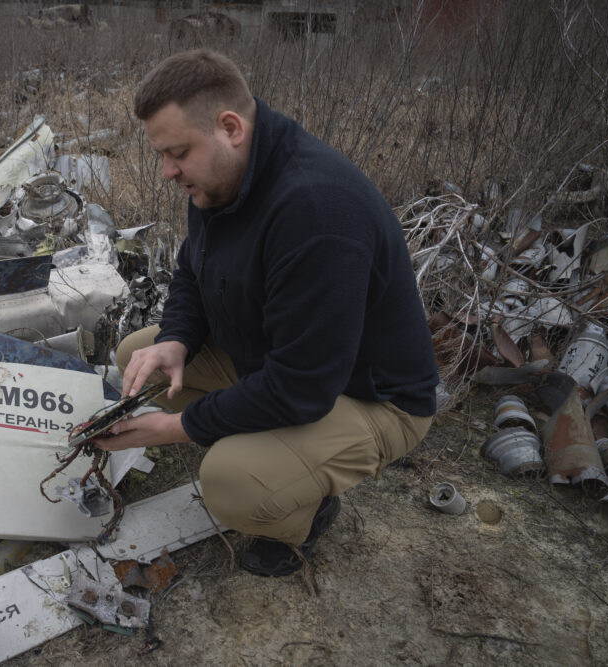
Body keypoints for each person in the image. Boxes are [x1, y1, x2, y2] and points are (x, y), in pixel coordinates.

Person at [93, 50, 439, 577]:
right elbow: (192, 268)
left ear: (230, 127)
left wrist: (174, 427)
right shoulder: (220, 176)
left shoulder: (318, 211)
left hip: (370, 395)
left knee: (231, 480)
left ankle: (302, 511)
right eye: (162, 155)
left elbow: (301, 388)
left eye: (177, 152)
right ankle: (265, 440)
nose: (167, 172)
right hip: (279, 357)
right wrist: (179, 339)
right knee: (141, 357)